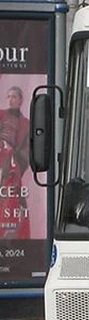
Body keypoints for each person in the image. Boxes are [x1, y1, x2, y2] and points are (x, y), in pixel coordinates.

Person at [0, 85, 31, 239]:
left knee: (15, 204)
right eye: (8, 96)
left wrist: (14, 156)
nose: (10, 100)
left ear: (20, 100)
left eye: (14, 96)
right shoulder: (0, 115)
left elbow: (27, 151)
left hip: (13, 171)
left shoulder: (27, 123)